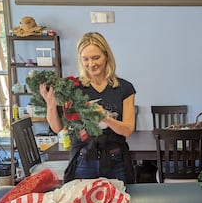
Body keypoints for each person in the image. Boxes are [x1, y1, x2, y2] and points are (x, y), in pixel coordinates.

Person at [40, 32, 136, 184]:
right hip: (83, 160)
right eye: (86, 59)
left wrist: (106, 118)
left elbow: (128, 129)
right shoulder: (73, 88)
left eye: (96, 57)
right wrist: (50, 104)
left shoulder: (124, 88)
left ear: (106, 56)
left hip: (115, 160)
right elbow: (57, 128)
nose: (91, 64)